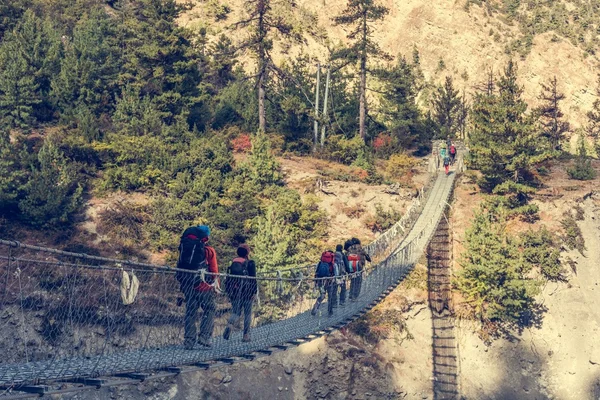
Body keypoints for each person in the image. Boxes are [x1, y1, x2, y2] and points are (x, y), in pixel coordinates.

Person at [176, 225, 218, 350]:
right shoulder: (209, 251)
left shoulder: (184, 247)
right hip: (203, 285)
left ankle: (189, 341)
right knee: (210, 308)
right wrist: (215, 285)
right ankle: (204, 337)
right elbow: (214, 270)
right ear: (206, 237)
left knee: (190, 312)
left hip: (188, 285)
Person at [223, 244, 257, 343]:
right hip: (247, 292)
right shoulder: (250, 263)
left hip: (235, 292)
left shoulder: (233, 262)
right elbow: (253, 279)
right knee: (247, 314)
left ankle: (230, 325)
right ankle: (246, 335)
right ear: (247, 253)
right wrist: (254, 292)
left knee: (236, 312)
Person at [311, 250, 338, 317]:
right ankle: (330, 312)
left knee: (322, 295)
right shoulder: (333, 264)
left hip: (320, 281)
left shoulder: (319, 263)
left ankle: (316, 307)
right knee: (330, 296)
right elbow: (336, 274)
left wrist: (316, 282)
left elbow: (316, 272)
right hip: (329, 282)